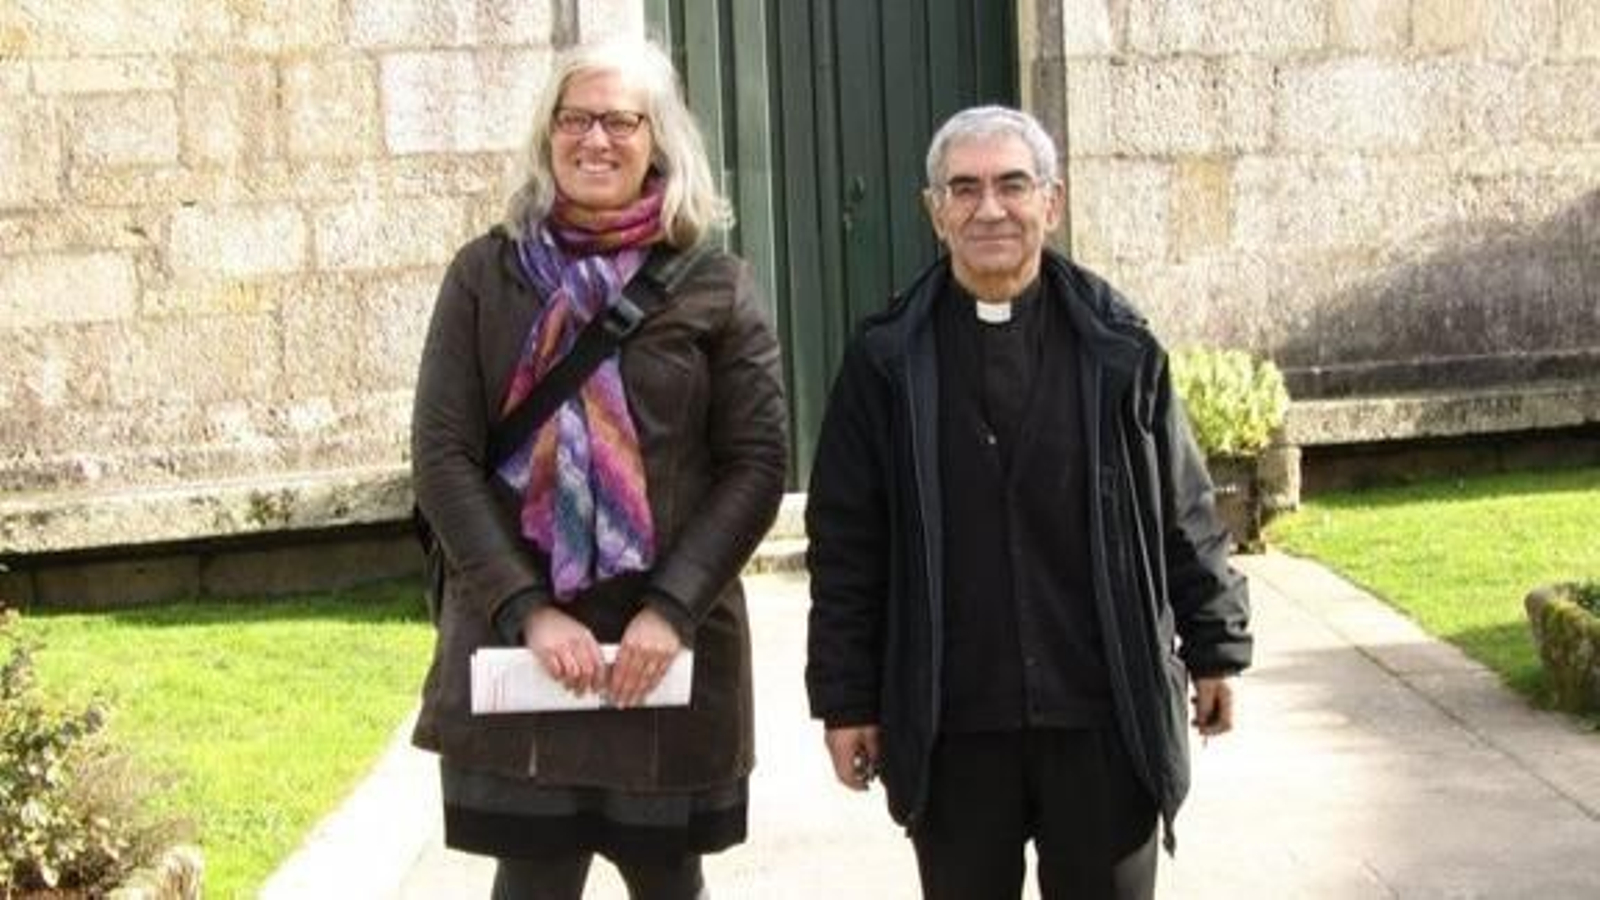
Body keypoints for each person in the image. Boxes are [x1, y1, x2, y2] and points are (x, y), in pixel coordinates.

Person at [804, 105, 1253, 900]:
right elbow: (847, 546)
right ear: (934, 211)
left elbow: (1181, 507)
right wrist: (846, 700)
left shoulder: (1121, 349)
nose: (990, 209)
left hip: (1103, 715)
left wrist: (1216, 644)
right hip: (953, 725)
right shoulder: (884, 363)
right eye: (964, 189)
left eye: (1012, 185)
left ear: (1053, 201)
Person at [410, 35, 787, 900]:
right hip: (524, 644)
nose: (595, 140)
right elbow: (441, 456)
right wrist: (529, 612)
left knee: (668, 878)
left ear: (659, 141)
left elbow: (758, 462)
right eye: (574, 119)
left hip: (661, 648)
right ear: (547, 136)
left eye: (621, 121)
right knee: (532, 877)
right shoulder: (485, 275)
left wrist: (671, 609)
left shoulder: (714, 285)